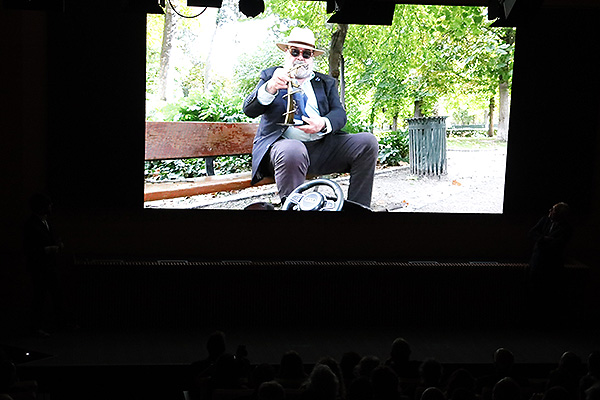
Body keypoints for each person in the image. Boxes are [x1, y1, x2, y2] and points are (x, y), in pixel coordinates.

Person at [243, 27, 379, 208]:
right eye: (295, 52)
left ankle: (357, 210)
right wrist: (270, 88)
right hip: (284, 153)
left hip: (321, 149)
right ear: (287, 52)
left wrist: (323, 123)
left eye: (306, 53)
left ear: (312, 57)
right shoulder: (271, 76)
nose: (300, 57)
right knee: (293, 149)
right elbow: (249, 109)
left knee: (367, 142)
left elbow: (340, 114)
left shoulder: (325, 82)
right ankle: (294, 208)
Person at [23, 193, 65, 337]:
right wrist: (49, 249)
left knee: (52, 296)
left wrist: (56, 245)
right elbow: (29, 249)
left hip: (48, 266)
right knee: (40, 297)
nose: (51, 206)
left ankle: (54, 324)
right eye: (49, 204)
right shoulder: (32, 225)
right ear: (42, 207)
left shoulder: (43, 222)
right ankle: (37, 327)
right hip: (40, 268)